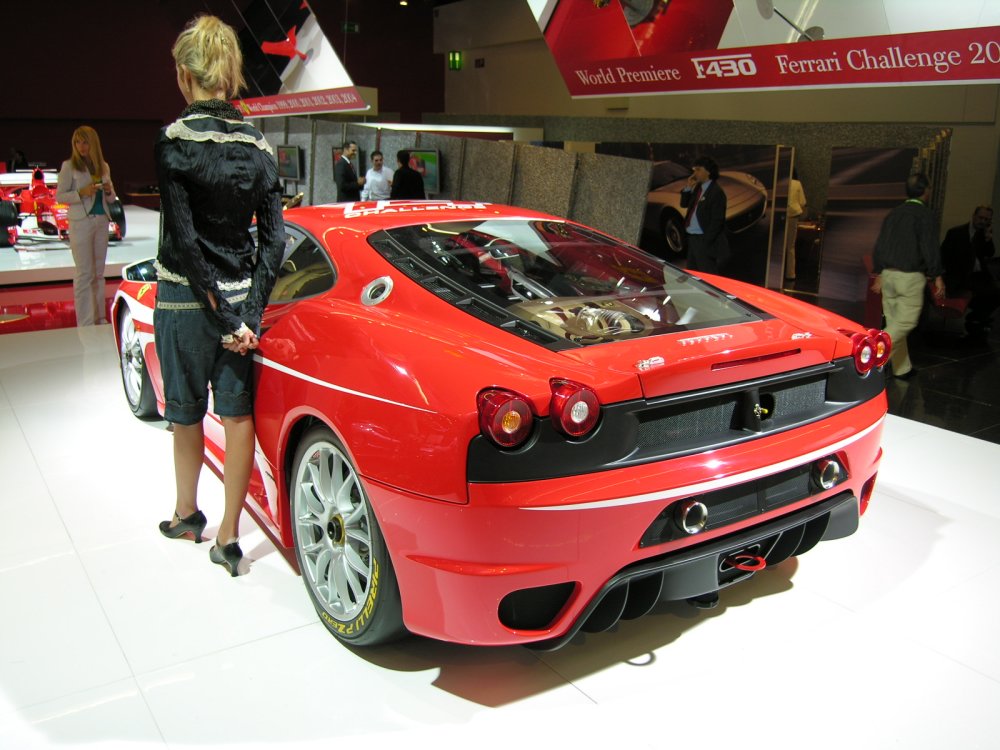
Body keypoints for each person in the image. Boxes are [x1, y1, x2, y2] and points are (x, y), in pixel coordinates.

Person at [154, 14, 285, 576]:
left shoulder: (174, 143)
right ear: (230, 74)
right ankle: (229, 537)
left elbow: (185, 244)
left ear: (186, 74)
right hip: (240, 311)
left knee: (186, 417)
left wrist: (221, 314)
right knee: (237, 419)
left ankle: (188, 514)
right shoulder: (261, 146)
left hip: (185, 304)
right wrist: (246, 316)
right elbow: (273, 240)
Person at [871, 172, 944, 379]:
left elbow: (881, 245)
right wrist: (937, 274)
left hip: (889, 275)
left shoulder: (894, 213)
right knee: (905, 323)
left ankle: (902, 368)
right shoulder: (924, 215)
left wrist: (879, 273)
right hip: (910, 277)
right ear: (925, 191)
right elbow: (929, 247)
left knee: (894, 322)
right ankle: (873, 354)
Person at [56, 126, 117, 326]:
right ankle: (85, 321)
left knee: (98, 274)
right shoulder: (69, 166)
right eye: (77, 142)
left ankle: (99, 318)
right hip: (81, 223)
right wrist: (81, 193)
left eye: (85, 142)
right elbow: (60, 196)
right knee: (84, 273)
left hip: (101, 221)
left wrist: (108, 190)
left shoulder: (103, 167)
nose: (81, 147)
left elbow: (112, 198)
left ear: (93, 144)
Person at [940, 205, 999, 339]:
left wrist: (988, 238)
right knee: (985, 292)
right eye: (981, 218)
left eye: (986, 219)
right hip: (960, 275)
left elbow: (989, 253)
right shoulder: (956, 233)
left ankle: (976, 318)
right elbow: (944, 255)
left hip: (977, 275)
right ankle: (977, 320)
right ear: (974, 216)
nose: (983, 222)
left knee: (995, 293)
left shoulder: (983, 234)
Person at [680, 155, 728, 274]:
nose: (694, 173)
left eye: (698, 169)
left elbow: (718, 221)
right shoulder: (698, 188)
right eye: (694, 170)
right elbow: (684, 204)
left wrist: (706, 241)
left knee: (707, 275)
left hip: (703, 239)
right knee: (692, 274)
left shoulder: (716, 192)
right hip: (692, 238)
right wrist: (688, 187)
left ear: (708, 171)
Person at [784, 168, 807, 280]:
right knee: (790, 246)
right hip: (793, 215)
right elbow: (802, 202)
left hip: (780, 214)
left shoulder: (781, 183)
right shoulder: (797, 184)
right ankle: (790, 274)